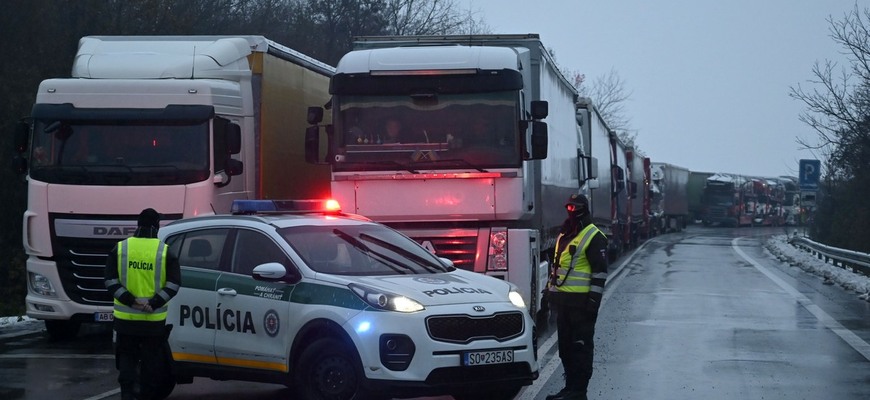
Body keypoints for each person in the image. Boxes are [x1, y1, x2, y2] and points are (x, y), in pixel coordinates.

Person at [104, 208, 181, 400]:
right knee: (151, 363)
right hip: (153, 321)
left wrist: (131, 301)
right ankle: (147, 395)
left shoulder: (121, 248)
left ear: (138, 225)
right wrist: (153, 303)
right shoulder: (164, 251)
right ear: (156, 226)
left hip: (126, 319)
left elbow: (110, 281)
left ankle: (127, 394)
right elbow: (174, 284)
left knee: (127, 359)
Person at [545, 194, 608, 400]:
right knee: (566, 348)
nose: (571, 211)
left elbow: (599, 273)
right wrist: (549, 294)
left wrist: (593, 303)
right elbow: (557, 268)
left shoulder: (594, 235)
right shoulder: (565, 234)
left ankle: (579, 391)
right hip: (563, 302)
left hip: (582, 305)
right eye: (569, 207)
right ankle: (569, 388)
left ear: (584, 208)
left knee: (580, 348)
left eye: (576, 207)